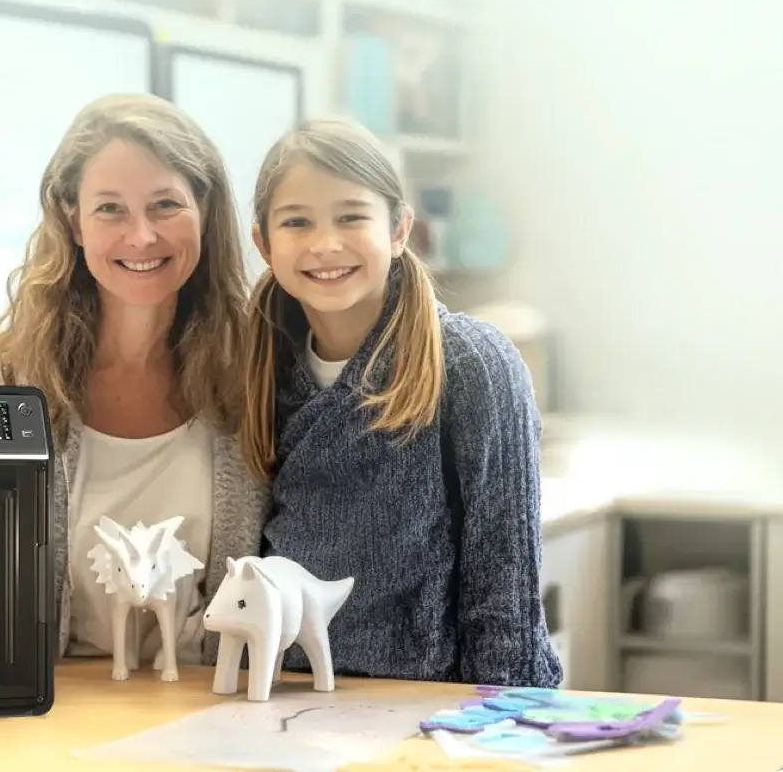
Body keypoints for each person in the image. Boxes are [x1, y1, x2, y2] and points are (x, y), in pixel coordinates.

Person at [0, 93, 269, 672]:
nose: (142, 236)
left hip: (214, 717)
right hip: (52, 722)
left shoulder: (254, 376)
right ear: (72, 220)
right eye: (111, 210)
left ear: (205, 208)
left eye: (166, 204)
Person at [239, 117, 562, 688]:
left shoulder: (471, 362)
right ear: (263, 243)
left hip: (430, 707)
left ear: (398, 229)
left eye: (350, 216)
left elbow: (504, 582)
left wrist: (506, 722)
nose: (325, 243)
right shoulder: (257, 364)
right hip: (284, 699)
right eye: (296, 222)